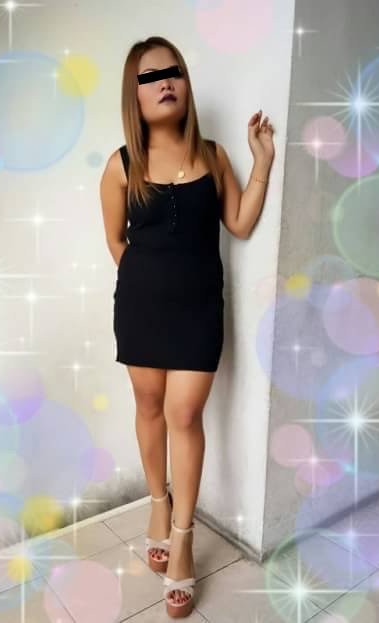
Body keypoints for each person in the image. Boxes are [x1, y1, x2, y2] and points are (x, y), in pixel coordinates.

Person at [100, 35, 275, 619]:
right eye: (150, 77)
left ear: (185, 83)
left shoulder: (214, 155)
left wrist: (262, 161)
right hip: (141, 310)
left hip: (199, 311)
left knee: (184, 415)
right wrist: (150, 282)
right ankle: (158, 500)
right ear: (134, 94)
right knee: (149, 407)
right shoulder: (121, 165)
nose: (165, 82)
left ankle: (182, 536)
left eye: (172, 72)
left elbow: (240, 223)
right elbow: (115, 242)